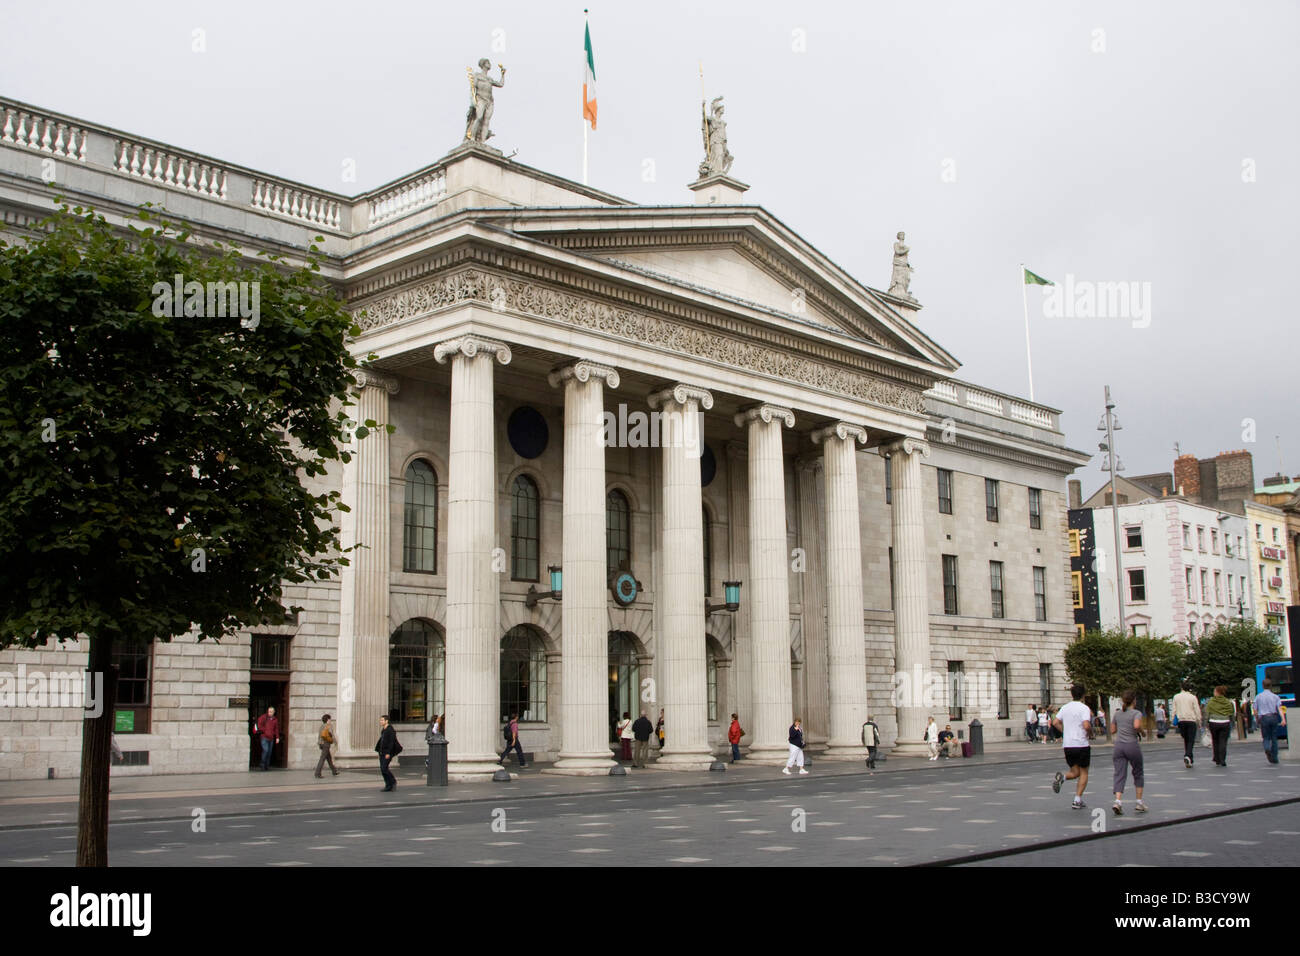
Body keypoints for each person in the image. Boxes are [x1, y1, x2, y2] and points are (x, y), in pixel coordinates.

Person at [1051, 683, 1093, 809]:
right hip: (1081, 744)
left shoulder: (1065, 707)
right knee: (1084, 772)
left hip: (1068, 745)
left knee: (1075, 772)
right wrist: (1090, 732)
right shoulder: (1084, 708)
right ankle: (1077, 799)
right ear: (1083, 695)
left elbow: (1055, 722)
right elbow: (1086, 725)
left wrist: (1064, 732)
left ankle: (1062, 778)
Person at [1109, 689, 1147, 815]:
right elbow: (1136, 726)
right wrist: (1142, 732)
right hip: (1131, 744)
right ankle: (1139, 802)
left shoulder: (1118, 714)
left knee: (1119, 774)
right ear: (1134, 701)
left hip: (1119, 746)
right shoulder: (1136, 713)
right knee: (1138, 772)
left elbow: (1112, 730)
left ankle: (1118, 801)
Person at [1172, 680, 1203, 769]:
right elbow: (1197, 710)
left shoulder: (1176, 697)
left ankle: (1190, 759)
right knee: (1191, 740)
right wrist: (1199, 720)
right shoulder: (1193, 697)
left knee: (1186, 739)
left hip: (1181, 720)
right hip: (1191, 720)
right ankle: (1188, 755)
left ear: (1181, 687)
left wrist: (1172, 720)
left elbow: (1174, 709)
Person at [1254, 678, 1286, 764]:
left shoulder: (1258, 697)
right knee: (1274, 738)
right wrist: (1283, 719)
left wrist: (1257, 720)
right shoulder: (1275, 697)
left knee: (1266, 737)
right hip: (1273, 717)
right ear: (1271, 686)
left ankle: (1267, 748)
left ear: (1263, 686)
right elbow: (1280, 709)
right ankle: (1274, 757)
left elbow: (1255, 711)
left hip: (1264, 718)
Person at [1205, 686, 1236, 767]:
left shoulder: (1211, 702)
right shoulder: (1228, 702)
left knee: (1215, 741)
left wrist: (1206, 722)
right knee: (1223, 742)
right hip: (1225, 722)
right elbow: (1231, 713)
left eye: (1214, 691)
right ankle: (1223, 759)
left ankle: (1217, 758)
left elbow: (1207, 713)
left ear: (1217, 692)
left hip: (1213, 723)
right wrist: (1233, 723)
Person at [375, 715, 401, 791]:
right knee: (383, 769)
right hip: (382, 752)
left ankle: (392, 781)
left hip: (387, 753)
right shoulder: (383, 730)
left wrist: (388, 753)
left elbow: (391, 742)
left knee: (384, 768)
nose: (381, 722)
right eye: (380, 720)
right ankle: (388, 785)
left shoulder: (390, 730)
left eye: (382, 720)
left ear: (387, 721)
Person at [254, 705, 280, 771]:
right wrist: (265, 731)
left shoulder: (275, 720)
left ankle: (266, 765)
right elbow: (259, 725)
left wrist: (277, 737)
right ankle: (262, 764)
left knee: (269, 752)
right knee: (265, 750)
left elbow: (276, 729)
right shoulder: (263, 717)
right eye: (269, 711)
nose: (270, 713)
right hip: (264, 737)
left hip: (271, 738)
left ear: (274, 712)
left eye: (271, 712)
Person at [315, 713, 339, 778]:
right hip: (326, 743)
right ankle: (317, 773)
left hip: (322, 744)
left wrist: (320, 743)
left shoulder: (321, 726)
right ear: (328, 720)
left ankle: (334, 771)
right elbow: (332, 735)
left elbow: (319, 736)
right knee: (322, 758)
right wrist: (336, 742)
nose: (330, 721)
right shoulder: (328, 726)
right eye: (330, 719)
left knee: (329, 758)